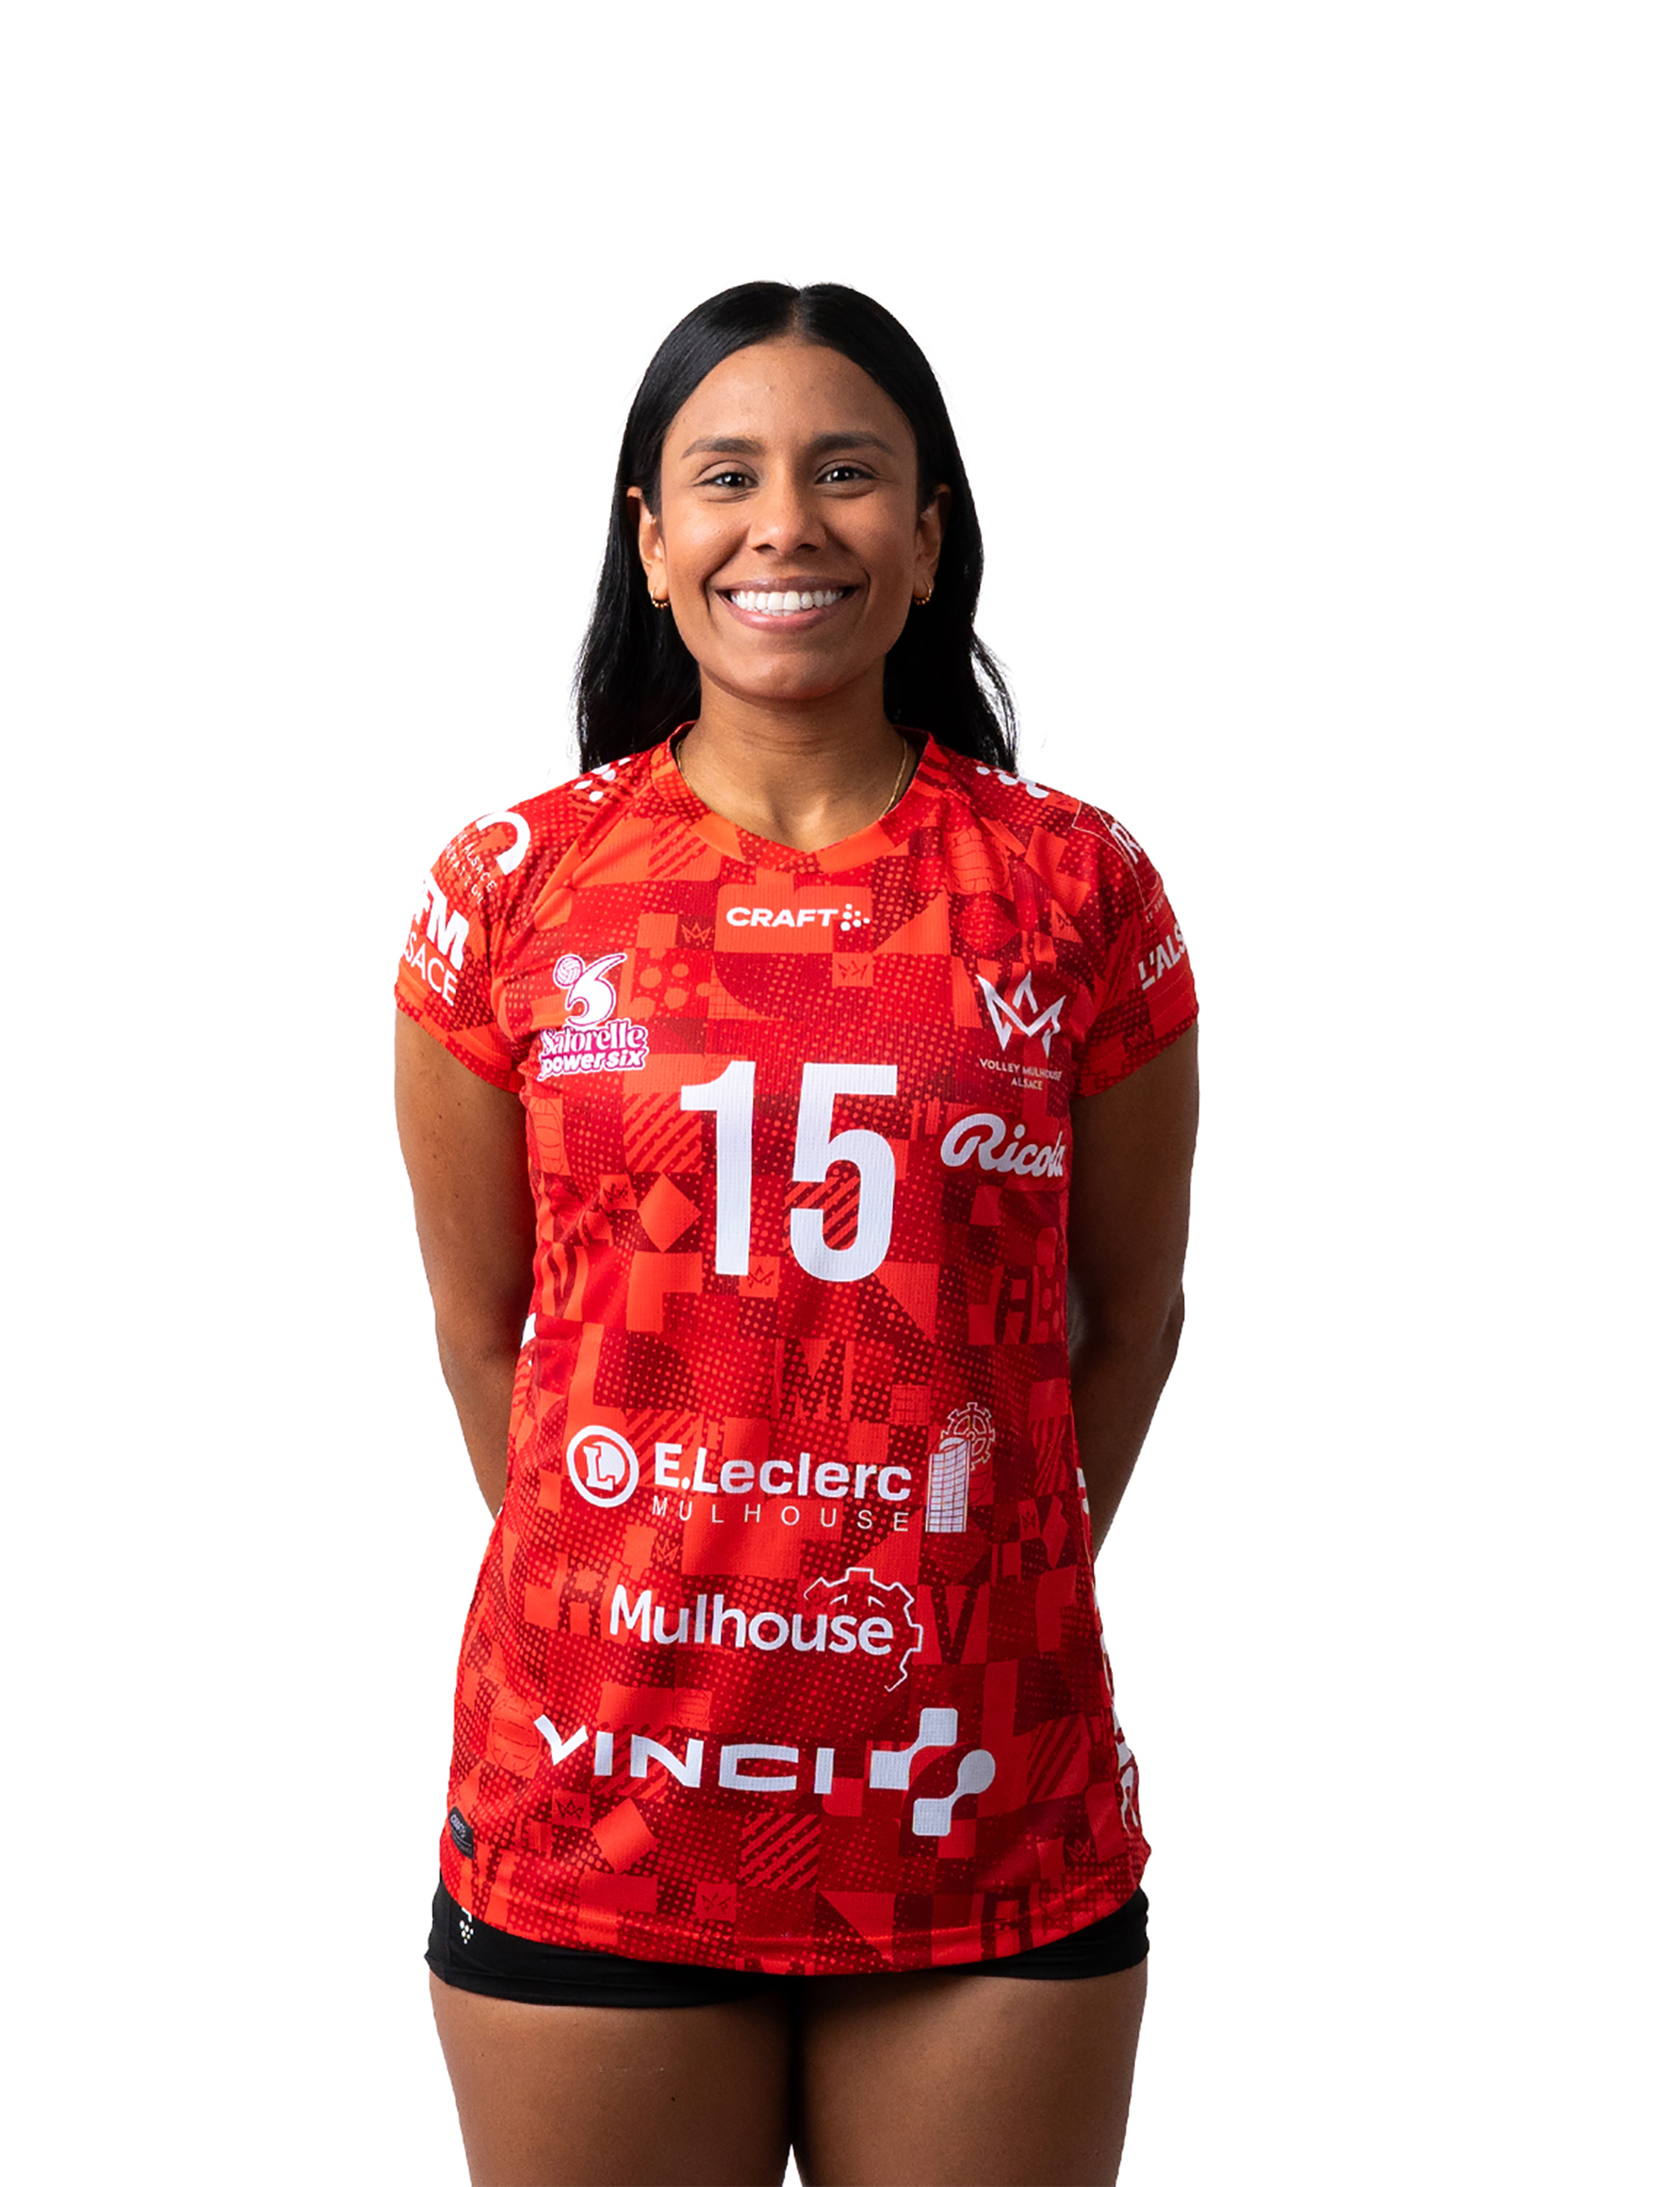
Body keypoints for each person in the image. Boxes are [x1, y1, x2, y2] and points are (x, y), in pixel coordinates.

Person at [394, 281, 1198, 2187]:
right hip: (602, 1802)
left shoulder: (1074, 885)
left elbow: (1132, 1313)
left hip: (978, 1797)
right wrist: (654, 1586)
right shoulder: (512, 888)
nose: (786, 524)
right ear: (649, 537)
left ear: (927, 534)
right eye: (726, 476)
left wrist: (958, 1586)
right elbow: (485, 1327)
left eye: (846, 474)